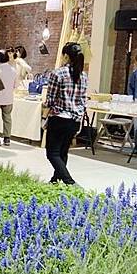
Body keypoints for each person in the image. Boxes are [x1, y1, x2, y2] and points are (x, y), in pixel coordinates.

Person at [43, 42, 88, 185]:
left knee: (52, 153)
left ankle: (70, 182)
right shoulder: (83, 75)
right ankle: (55, 181)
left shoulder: (58, 73)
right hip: (74, 120)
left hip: (59, 118)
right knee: (62, 152)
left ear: (66, 56)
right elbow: (83, 100)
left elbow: (50, 100)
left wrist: (44, 115)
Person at [0, 49, 17, 146]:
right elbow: (15, 86)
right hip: (8, 99)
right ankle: (7, 138)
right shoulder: (13, 70)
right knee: (7, 118)